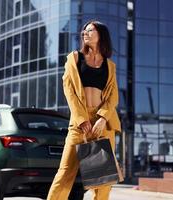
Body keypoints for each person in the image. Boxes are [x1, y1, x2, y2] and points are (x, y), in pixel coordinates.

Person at [47, 20, 122, 200]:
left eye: (90, 30)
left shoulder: (110, 66)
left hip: (101, 124)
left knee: (103, 181)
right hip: (79, 123)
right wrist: (81, 118)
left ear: (100, 36)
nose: (84, 33)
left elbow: (113, 97)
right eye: (84, 31)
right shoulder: (74, 59)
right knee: (65, 173)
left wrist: (103, 118)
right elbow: (68, 89)